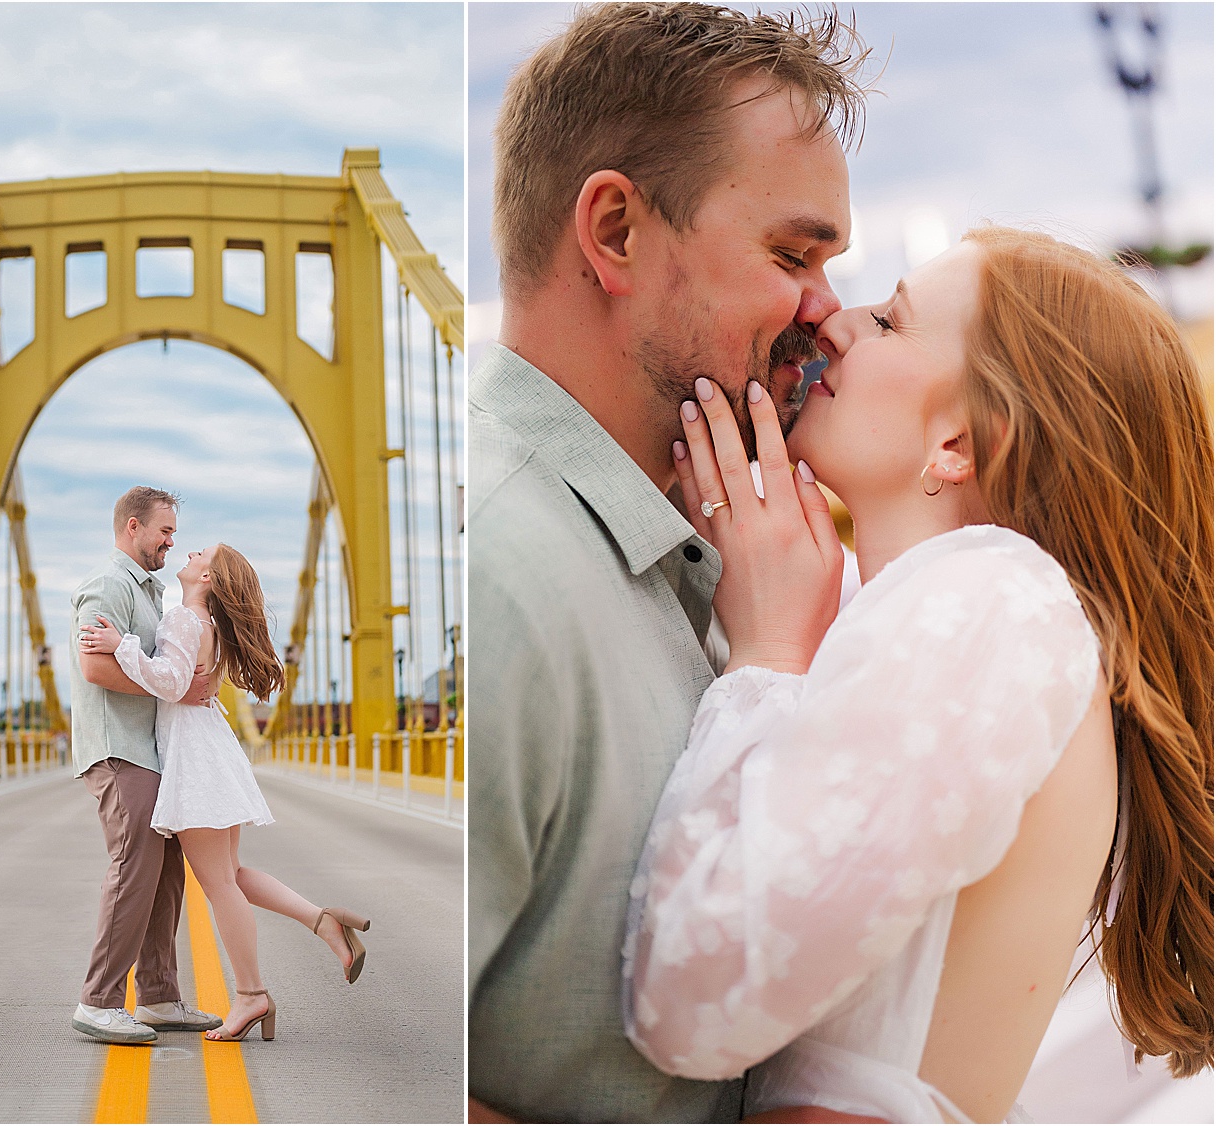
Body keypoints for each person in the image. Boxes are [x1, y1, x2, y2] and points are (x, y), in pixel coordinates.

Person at [625, 227, 1214, 1122]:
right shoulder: (989, 621)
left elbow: (692, 1001)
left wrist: (769, 655)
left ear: (957, 445)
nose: (834, 321)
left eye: (892, 321)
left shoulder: (988, 605)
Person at [469, 3, 871, 1120]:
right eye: (793, 253)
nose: (826, 310)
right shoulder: (500, 577)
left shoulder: (704, 554)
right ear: (616, 233)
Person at [80, 543, 372, 1042]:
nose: (189, 551)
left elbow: (170, 683)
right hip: (213, 750)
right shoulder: (208, 625)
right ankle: (323, 921)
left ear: (209, 577)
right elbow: (183, 685)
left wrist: (120, 646)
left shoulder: (182, 618)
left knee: (218, 884)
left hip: (194, 760)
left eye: (201, 553)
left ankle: (252, 996)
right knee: (230, 874)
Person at [69, 486, 220, 1045]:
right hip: (119, 749)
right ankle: (99, 1001)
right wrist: (178, 692)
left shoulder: (151, 593)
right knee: (135, 868)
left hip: (149, 751)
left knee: (166, 872)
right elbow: (94, 668)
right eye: (164, 531)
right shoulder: (109, 585)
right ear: (133, 527)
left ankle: (158, 996)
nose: (171, 542)